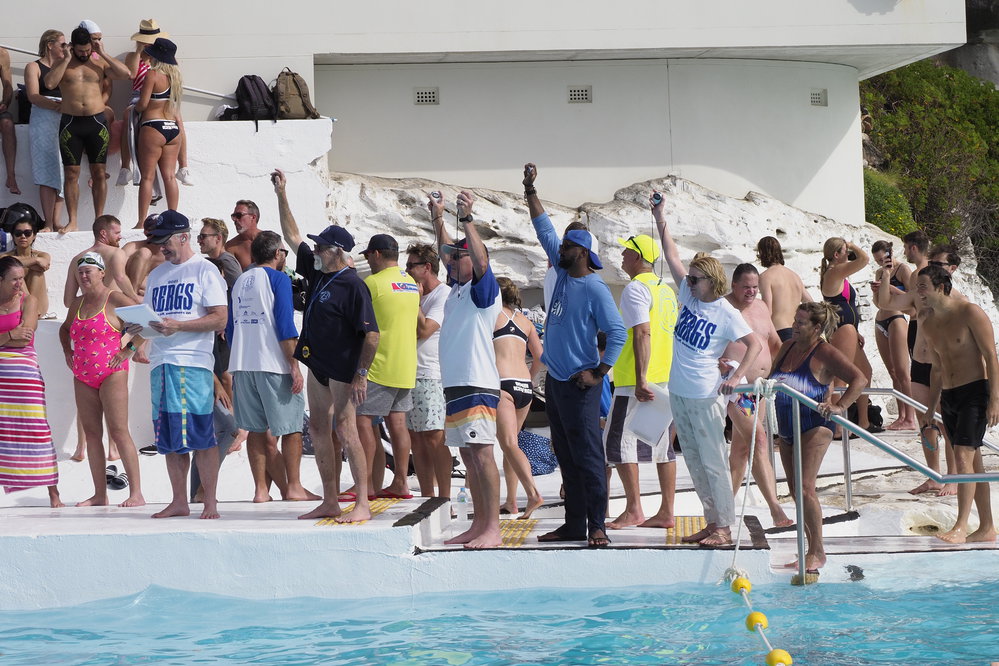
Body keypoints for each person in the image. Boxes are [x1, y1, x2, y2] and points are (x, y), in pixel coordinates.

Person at [653, 191, 762, 548]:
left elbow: (755, 345)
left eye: (696, 278)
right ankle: (711, 521)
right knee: (696, 464)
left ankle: (725, 528)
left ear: (711, 282)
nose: (689, 281)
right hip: (680, 393)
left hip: (704, 395)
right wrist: (659, 217)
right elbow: (671, 255)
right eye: (690, 277)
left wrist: (733, 377)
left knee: (714, 462)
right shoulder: (688, 295)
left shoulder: (726, 313)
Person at [526, 164, 626, 549]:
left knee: (587, 457)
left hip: (580, 384)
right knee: (565, 454)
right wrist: (530, 190)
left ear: (582, 252)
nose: (560, 250)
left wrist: (600, 372)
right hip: (556, 382)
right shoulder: (565, 274)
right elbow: (544, 229)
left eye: (567, 247)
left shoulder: (595, 287)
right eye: (562, 246)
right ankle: (573, 524)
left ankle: (596, 525)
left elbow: (617, 332)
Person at [273, 168, 378, 523]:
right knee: (318, 428)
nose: (314, 250)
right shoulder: (318, 272)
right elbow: (292, 236)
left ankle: (362, 502)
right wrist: (281, 194)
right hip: (316, 364)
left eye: (320, 247)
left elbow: (372, 335)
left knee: (346, 429)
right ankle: (331, 500)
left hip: (343, 368)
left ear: (337, 252)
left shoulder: (353, 285)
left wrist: (361, 375)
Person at [132, 210, 228, 519]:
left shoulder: (205, 270)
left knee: (201, 434)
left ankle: (210, 501)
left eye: (166, 241)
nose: (162, 248)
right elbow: (152, 321)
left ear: (184, 237)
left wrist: (180, 327)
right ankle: (178, 501)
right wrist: (137, 331)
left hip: (193, 363)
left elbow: (220, 318)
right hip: (161, 362)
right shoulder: (158, 274)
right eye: (158, 242)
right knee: (169, 436)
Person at [769, 301, 866, 572]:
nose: (794, 326)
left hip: (814, 426)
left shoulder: (824, 352)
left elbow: (859, 379)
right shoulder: (787, 346)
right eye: (795, 320)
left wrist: (840, 405)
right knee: (795, 492)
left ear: (817, 328)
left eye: (801, 323)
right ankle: (810, 549)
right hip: (787, 426)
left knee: (805, 488)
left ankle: (817, 552)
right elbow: (770, 378)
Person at [431, 190, 504, 548]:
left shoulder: (482, 290)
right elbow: (447, 250)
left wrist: (467, 218)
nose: (449, 262)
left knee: (482, 453)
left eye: (458, 258)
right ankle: (479, 524)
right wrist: (437, 217)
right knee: (468, 456)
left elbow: (480, 259)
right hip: (456, 385)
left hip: (476, 383)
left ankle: (493, 528)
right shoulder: (456, 290)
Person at [227, 230, 317, 503]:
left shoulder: (241, 280)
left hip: (243, 364)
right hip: (272, 363)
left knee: (256, 429)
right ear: (277, 254)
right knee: (291, 428)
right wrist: (294, 365)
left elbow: (230, 329)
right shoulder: (277, 278)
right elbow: (285, 325)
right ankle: (294, 487)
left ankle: (261, 491)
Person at [602, 233, 679, 530]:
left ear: (637, 257)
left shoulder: (635, 289)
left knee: (618, 443)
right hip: (666, 378)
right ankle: (666, 511)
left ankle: (634, 509)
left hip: (637, 380)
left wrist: (641, 378)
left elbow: (643, 333)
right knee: (662, 446)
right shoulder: (667, 291)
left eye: (625, 252)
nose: (621, 257)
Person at [917, 264, 997, 544]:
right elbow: (936, 368)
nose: (919, 293)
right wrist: (931, 406)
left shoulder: (969, 312)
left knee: (963, 457)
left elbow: (990, 355)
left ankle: (961, 526)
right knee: (973, 463)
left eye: (923, 287)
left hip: (975, 393)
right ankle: (987, 527)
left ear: (940, 287)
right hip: (949, 397)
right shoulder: (927, 322)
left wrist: (995, 400)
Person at [58, 252, 144, 508]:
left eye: (88, 272)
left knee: (119, 432)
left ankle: (137, 493)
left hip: (112, 372)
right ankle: (99, 494)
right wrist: (67, 350)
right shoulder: (77, 304)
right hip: (82, 374)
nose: (83, 276)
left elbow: (148, 324)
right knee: (93, 435)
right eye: (80, 272)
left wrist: (127, 351)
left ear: (102, 273)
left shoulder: (115, 299)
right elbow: (65, 329)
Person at [876, 230, 957, 495]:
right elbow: (887, 303)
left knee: (947, 424)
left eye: (939, 265)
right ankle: (933, 475)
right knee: (926, 423)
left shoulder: (957, 301)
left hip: (942, 368)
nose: (933, 268)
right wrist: (886, 274)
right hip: (920, 365)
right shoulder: (918, 295)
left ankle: (954, 478)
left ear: (951, 269)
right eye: (932, 264)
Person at [721, 263, 793, 528]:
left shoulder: (762, 307)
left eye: (754, 287)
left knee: (741, 449)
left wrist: (788, 366)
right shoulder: (723, 308)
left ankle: (724, 507)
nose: (751, 292)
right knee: (759, 440)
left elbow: (774, 342)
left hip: (760, 389)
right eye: (746, 287)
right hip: (736, 389)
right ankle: (776, 509)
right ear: (733, 285)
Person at [43, 26, 130, 233]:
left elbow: (126, 73)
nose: (84, 54)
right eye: (80, 51)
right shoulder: (62, 63)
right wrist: (65, 60)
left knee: (99, 172)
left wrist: (102, 53)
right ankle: (73, 221)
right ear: (73, 46)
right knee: (71, 173)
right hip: (71, 124)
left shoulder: (98, 61)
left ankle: (99, 219)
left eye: (87, 50)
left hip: (96, 122)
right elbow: (49, 83)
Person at [356, 233, 419, 500]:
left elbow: (360, 327)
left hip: (378, 364)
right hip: (405, 363)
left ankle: (367, 484)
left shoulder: (372, 283)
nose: (368, 260)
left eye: (369, 255)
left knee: (363, 422)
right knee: (398, 424)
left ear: (378, 254)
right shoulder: (411, 283)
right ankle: (401, 482)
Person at [0, 256, 62, 507]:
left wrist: (6, 338)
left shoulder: (29, 301)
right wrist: (11, 333)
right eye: (14, 279)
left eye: (21, 278)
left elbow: (26, 338)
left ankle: (53, 492)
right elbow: (18, 334)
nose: (19, 283)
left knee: (37, 428)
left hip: (25, 376)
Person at [493, 276, 546, 518]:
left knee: (509, 444)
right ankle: (511, 502)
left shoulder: (493, 316)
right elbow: (540, 356)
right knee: (511, 444)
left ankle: (533, 494)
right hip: (524, 386)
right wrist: (531, 378)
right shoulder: (525, 322)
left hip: (502, 384)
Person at [119, 20, 192, 191]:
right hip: (139, 95)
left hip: (162, 98)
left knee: (178, 120)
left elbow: (174, 80)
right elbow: (132, 74)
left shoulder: (167, 59)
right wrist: (139, 51)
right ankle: (125, 167)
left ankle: (184, 167)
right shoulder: (133, 56)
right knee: (126, 115)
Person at [405, 241, 452, 499]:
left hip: (430, 375)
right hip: (409, 374)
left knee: (435, 438)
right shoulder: (420, 295)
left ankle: (444, 498)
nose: (407, 270)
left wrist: (414, 299)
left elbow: (424, 330)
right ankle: (427, 497)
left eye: (412, 265)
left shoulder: (442, 295)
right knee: (417, 441)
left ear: (427, 267)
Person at [819, 237, 875, 432]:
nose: (848, 253)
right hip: (843, 329)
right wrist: (851, 245)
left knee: (865, 373)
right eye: (845, 251)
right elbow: (865, 259)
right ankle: (837, 427)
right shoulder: (834, 271)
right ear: (836, 255)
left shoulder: (837, 273)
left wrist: (857, 331)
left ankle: (863, 422)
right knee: (841, 377)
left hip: (849, 329)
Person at [134, 38, 182, 228]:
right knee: (169, 176)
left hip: (153, 126)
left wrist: (134, 109)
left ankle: (140, 222)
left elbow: (143, 104)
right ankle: (174, 218)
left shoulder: (152, 75)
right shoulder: (176, 76)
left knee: (148, 176)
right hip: (172, 128)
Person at [869, 240, 917, 430]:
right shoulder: (881, 272)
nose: (881, 263)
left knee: (904, 372)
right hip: (881, 319)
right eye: (877, 260)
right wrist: (877, 291)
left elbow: (912, 300)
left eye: (882, 258)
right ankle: (901, 415)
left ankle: (911, 417)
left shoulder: (903, 270)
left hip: (897, 319)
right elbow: (879, 303)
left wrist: (890, 288)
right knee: (893, 373)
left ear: (890, 254)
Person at [24, 29, 66, 231]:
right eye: (62, 44)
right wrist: (57, 106)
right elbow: (33, 95)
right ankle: (48, 222)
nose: (65, 48)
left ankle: (57, 220)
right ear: (50, 45)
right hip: (43, 118)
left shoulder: (65, 66)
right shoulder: (34, 66)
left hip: (64, 119)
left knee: (63, 170)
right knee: (45, 171)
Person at [63, 215, 140, 308]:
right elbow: (120, 277)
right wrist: (135, 298)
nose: (120, 237)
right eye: (117, 233)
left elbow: (68, 302)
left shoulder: (77, 259)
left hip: (91, 313)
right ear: (103, 233)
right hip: (113, 312)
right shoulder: (116, 253)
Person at [756, 236, 812, 341]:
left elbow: (767, 310)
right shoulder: (794, 276)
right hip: (797, 330)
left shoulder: (765, 277)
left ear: (762, 253)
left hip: (779, 331)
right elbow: (810, 302)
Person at [1, 214, 51, 317]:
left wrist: (19, 262)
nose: (23, 236)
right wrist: (36, 260)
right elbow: (4, 260)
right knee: (16, 274)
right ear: (13, 237)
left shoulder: (43, 255)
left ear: (34, 236)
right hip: (15, 306)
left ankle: (32, 307)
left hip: (39, 308)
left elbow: (44, 265)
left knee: (36, 272)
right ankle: (28, 304)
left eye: (27, 233)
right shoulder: (5, 256)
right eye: (18, 233)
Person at [123, 214, 165, 297]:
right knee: (144, 252)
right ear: (146, 233)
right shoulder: (133, 247)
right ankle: (133, 296)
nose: (158, 236)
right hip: (131, 292)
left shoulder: (171, 251)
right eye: (155, 233)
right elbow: (117, 273)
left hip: (157, 294)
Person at [0, 47, 20, 195]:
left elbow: (7, 85)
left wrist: (5, 102)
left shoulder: (2, 54)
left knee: (7, 122)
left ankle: (11, 176)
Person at [225, 200, 262, 269]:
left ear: (253, 217)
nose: (235, 220)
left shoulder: (271, 240)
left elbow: (281, 267)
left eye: (239, 215)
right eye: (233, 216)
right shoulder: (231, 247)